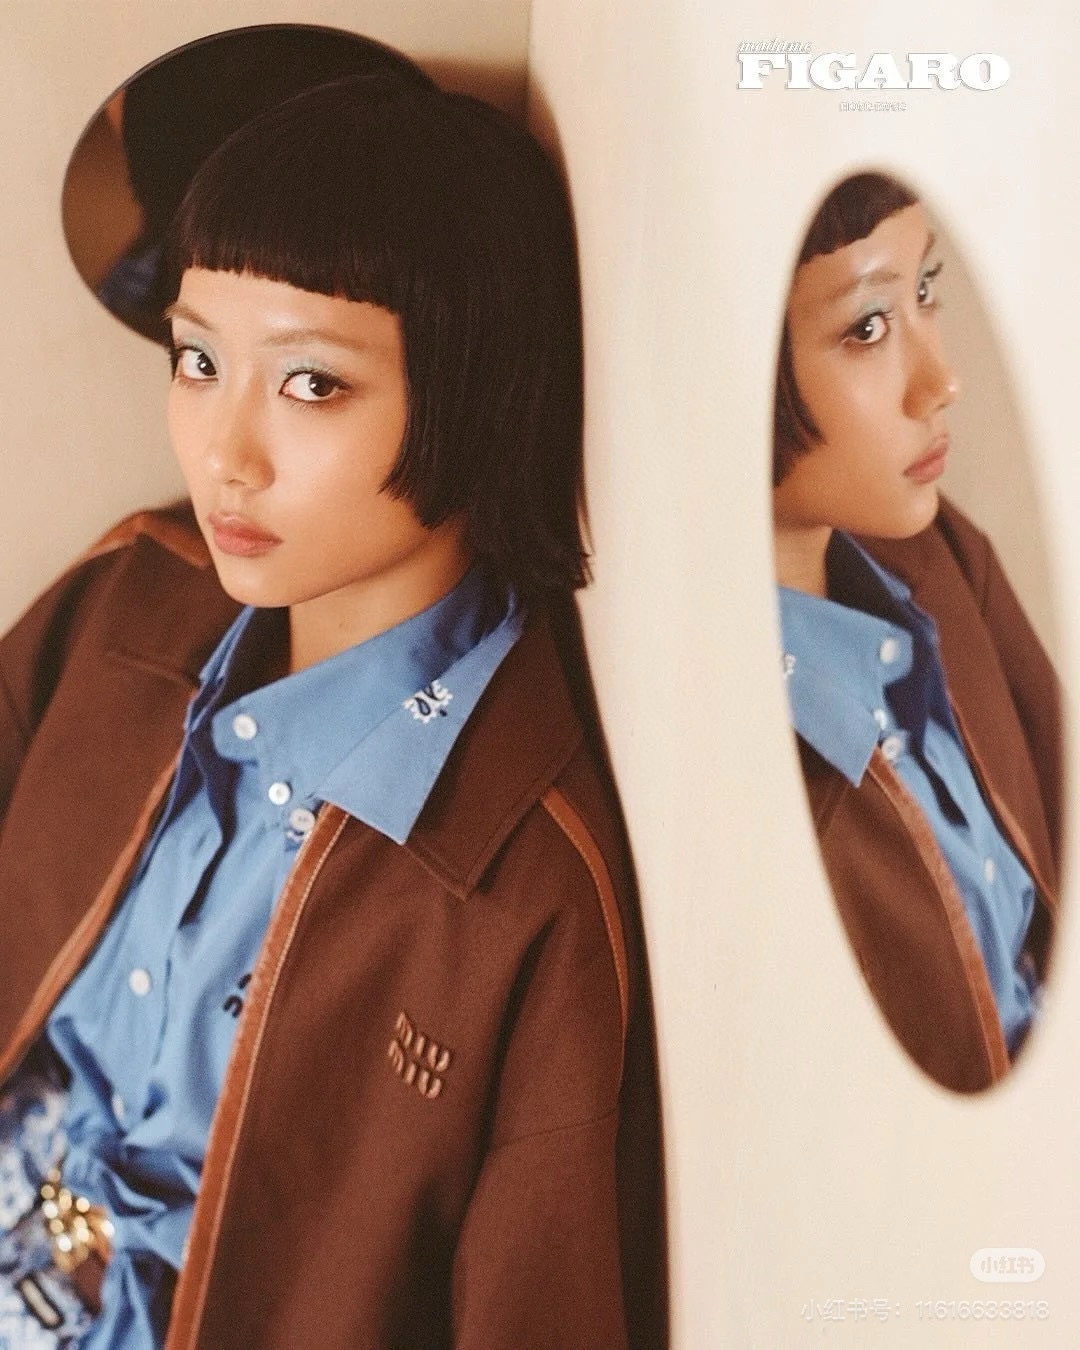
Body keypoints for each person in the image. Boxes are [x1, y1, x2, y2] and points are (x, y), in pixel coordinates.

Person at [0, 57, 665, 1349]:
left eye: (312, 383)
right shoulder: (134, 596)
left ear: (475, 391)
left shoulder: (525, 884)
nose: (223, 453)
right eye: (199, 359)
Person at [772, 171, 1062, 1094]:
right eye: (867, 327)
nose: (941, 381)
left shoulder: (940, 561)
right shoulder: (737, 745)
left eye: (925, 291)